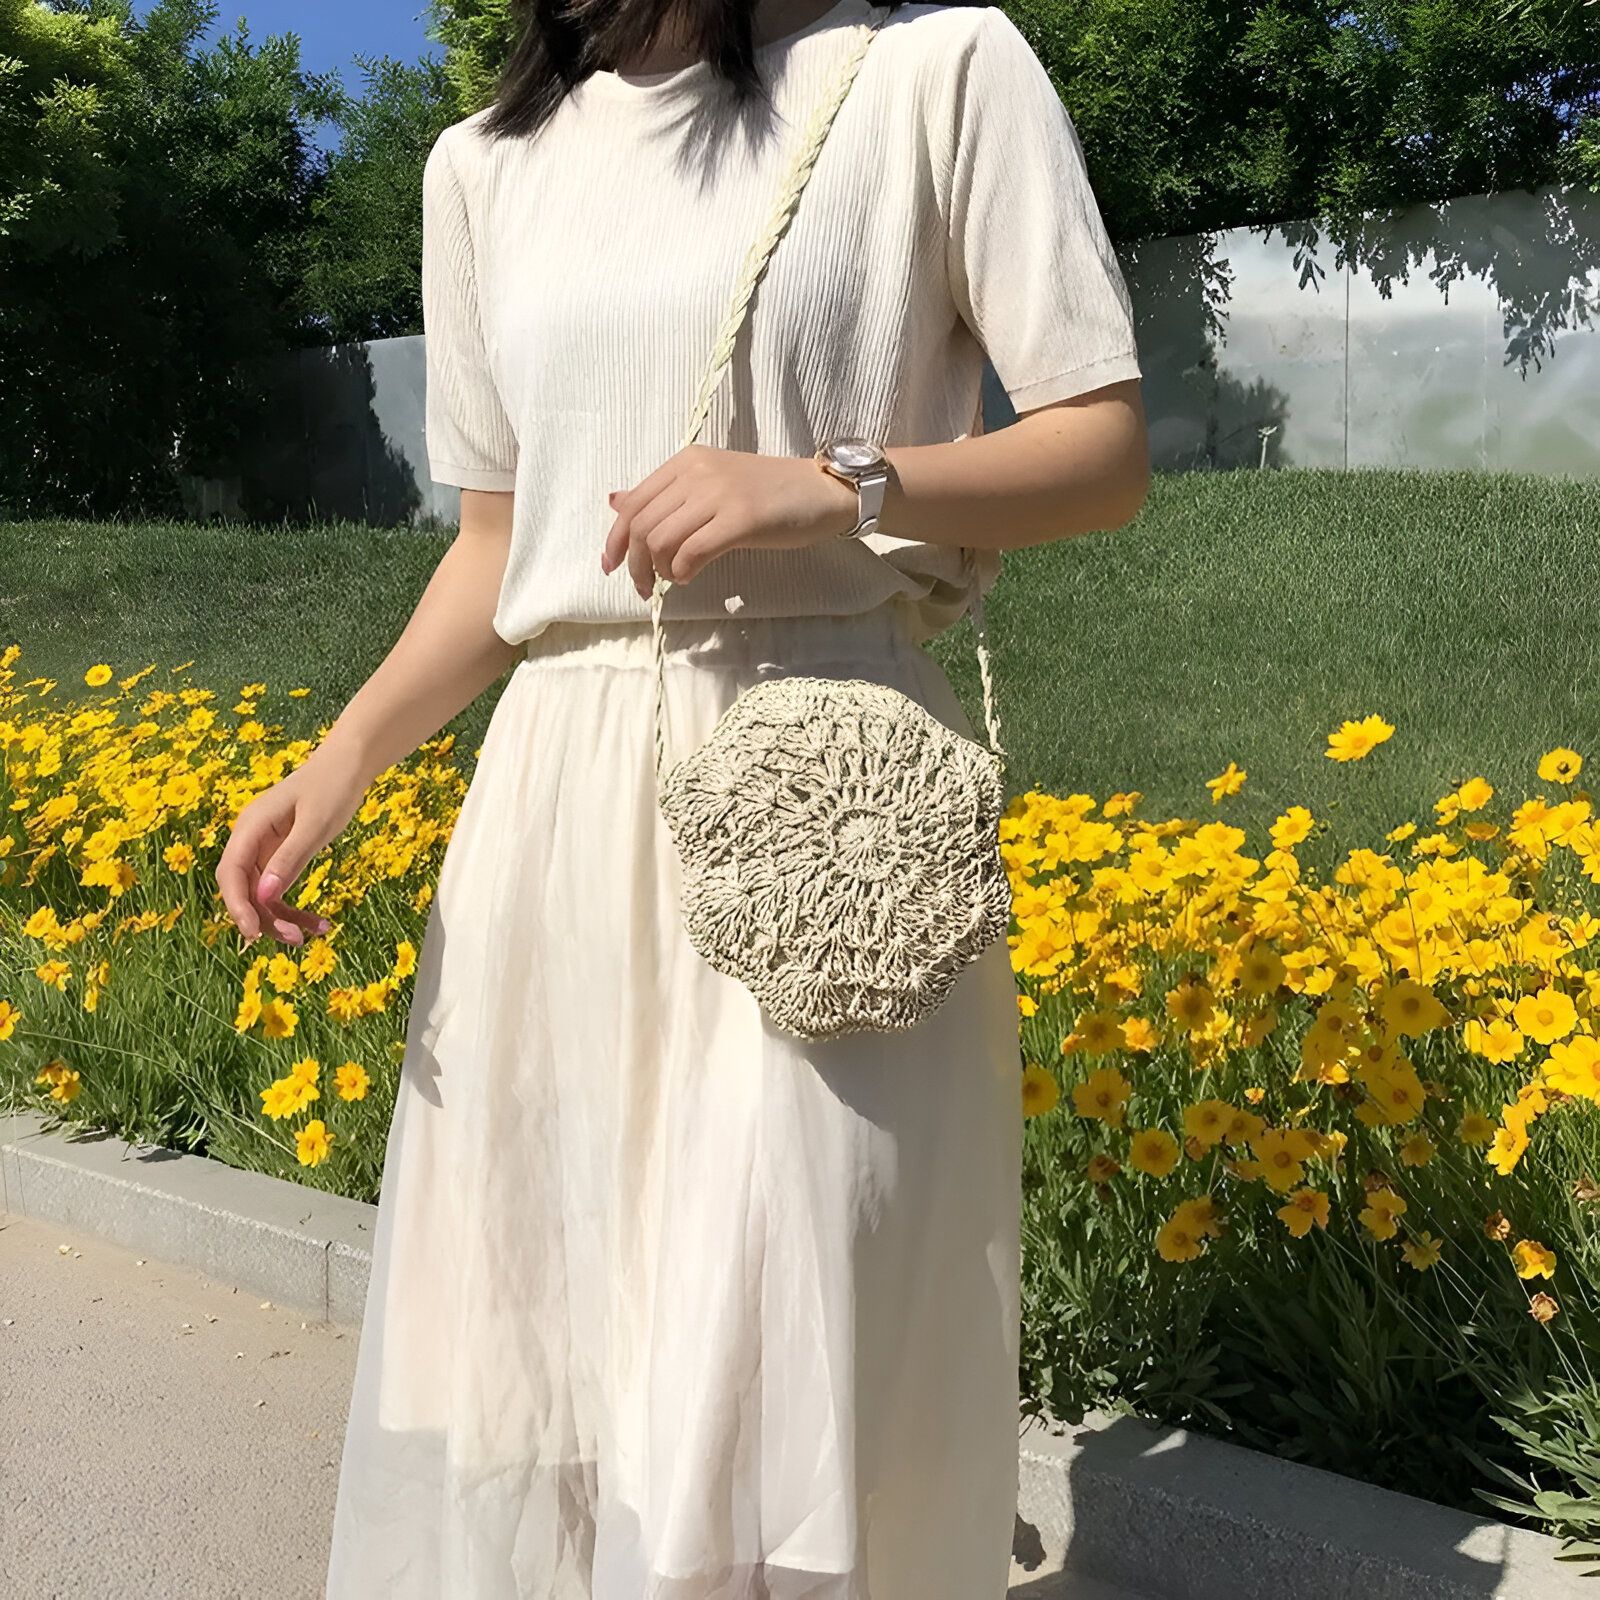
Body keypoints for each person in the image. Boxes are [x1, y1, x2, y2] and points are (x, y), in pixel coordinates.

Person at [217, 0, 1148, 1593]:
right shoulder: (482, 165)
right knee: (559, 1388)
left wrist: (837, 482)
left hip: (822, 801)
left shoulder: (932, 69)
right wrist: (345, 756)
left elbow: (1105, 447)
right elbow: (500, 546)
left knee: (792, 1366)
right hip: (559, 811)